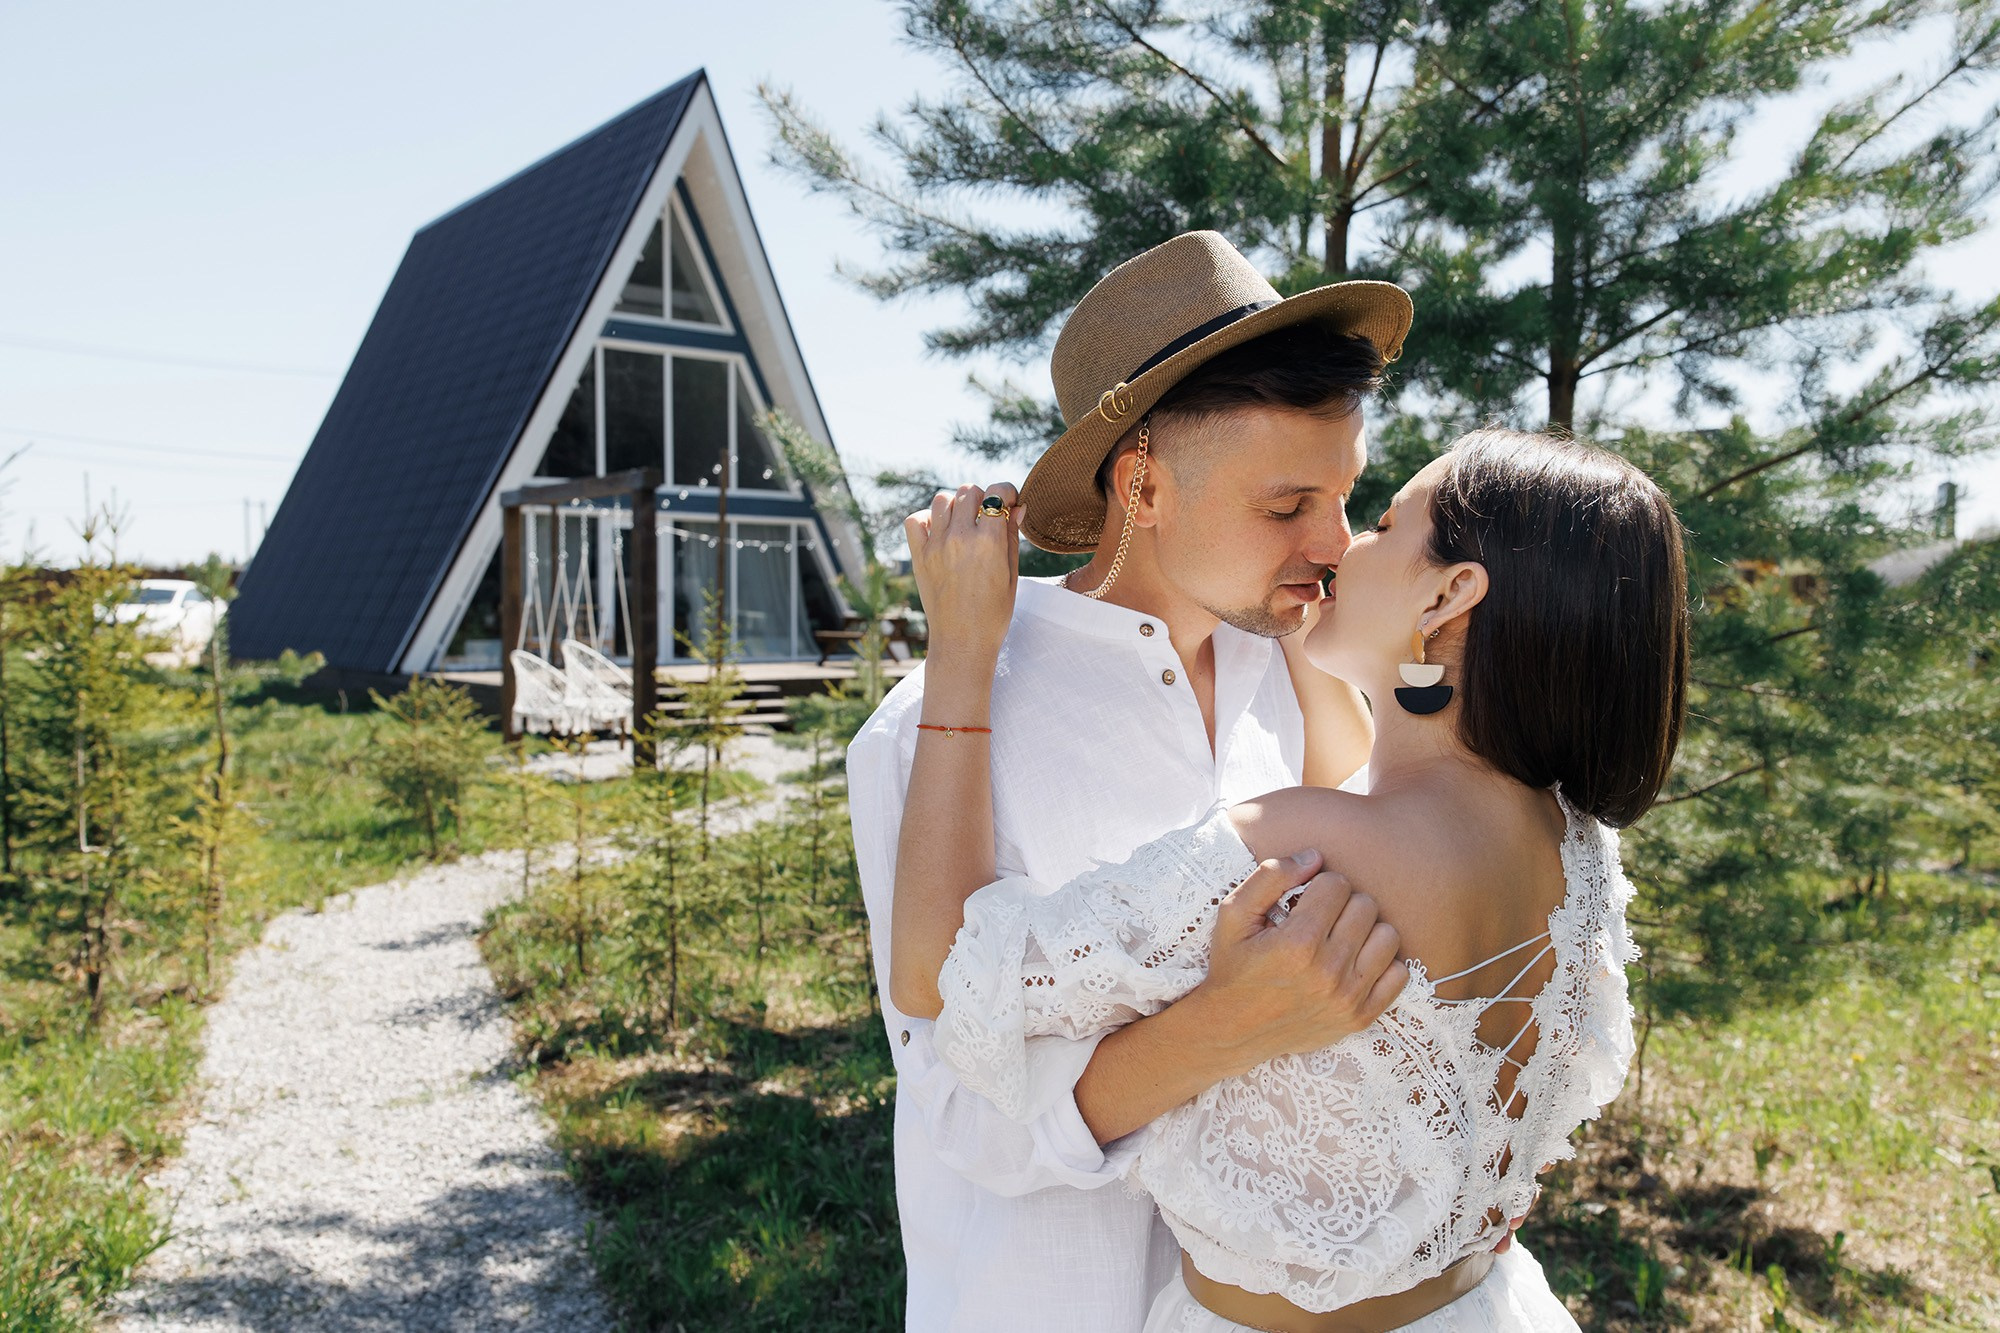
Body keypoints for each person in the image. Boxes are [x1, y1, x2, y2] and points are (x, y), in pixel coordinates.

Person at [897, 429, 1691, 1331]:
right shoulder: (1572, 844)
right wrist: (1300, 635)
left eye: (1385, 523)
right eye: (1293, 508)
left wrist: (959, 657)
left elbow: (941, 973)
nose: (1338, 546)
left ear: (1451, 591)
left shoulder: (1299, 845)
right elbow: (1375, 776)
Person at [848, 230, 1482, 1330]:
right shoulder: (935, 726)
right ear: (1141, 483)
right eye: (1285, 507)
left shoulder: (1291, 676)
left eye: (1344, 498)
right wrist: (1219, 1029)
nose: (1330, 542)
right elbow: (955, 1099)